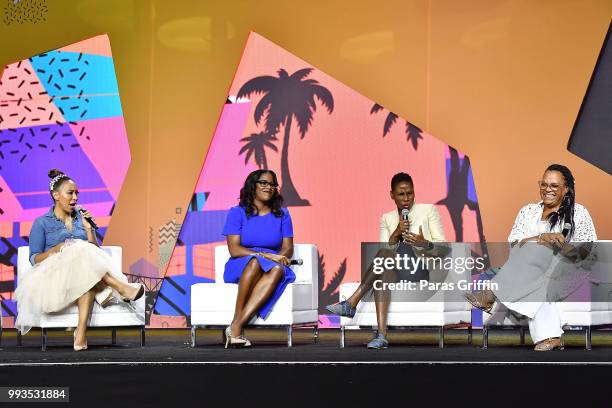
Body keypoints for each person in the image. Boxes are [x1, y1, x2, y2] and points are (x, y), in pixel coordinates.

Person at [466, 164, 597, 351]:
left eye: (554, 186)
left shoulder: (579, 213)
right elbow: (514, 246)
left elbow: (586, 252)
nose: (547, 190)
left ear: (566, 189)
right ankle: (550, 336)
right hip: (528, 270)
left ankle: (491, 293)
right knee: (535, 253)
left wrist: (558, 246)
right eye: (543, 184)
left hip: (566, 270)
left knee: (539, 253)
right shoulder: (528, 211)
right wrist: (541, 238)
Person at [15, 169, 145, 351]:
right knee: (77, 249)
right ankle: (119, 287)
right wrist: (56, 249)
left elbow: (95, 255)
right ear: (56, 195)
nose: (75, 197)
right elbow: (34, 259)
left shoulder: (80, 219)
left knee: (86, 275)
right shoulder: (42, 222)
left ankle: (81, 333)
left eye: (77, 193)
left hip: (80, 275)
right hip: (54, 280)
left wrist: (89, 229)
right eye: (70, 193)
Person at [326, 172, 447, 349]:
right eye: (401, 194)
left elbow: (443, 247)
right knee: (381, 277)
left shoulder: (429, 211)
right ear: (392, 195)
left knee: (384, 257)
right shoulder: (387, 218)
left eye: (410, 193)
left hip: (421, 267)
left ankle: (351, 303)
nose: (406, 198)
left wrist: (425, 243)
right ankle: (382, 336)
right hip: (397, 267)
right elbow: (382, 251)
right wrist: (396, 232)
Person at [222, 170, 295, 348]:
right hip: (241, 261)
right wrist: (263, 255)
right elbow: (234, 249)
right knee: (255, 262)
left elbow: (288, 247)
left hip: (273, 263)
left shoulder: (283, 214)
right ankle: (237, 326)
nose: (268, 187)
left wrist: (280, 257)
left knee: (277, 270)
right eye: (263, 183)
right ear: (252, 185)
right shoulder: (236, 213)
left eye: (272, 184)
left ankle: (236, 325)